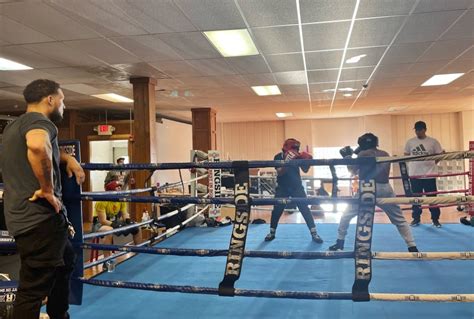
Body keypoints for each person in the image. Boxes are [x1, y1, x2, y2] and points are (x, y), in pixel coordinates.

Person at [1, 79, 85, 319]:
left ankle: (59, 314)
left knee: (66, 260)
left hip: (26, 218)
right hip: (39, 220)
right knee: (32, 290)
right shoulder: (39, 122)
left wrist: (66, 159)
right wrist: (47, 189)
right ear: (50, 99)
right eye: (62, 99)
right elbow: (38, 147)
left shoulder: (13, 127)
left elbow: (33, 152)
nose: (64, 105)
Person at [329, 133, 418, 252]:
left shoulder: (363, 154)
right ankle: (412, 246)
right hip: (385, 188)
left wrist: (347, 158)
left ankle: (340, 243)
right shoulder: (385, 154)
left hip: (367, 188)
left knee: (346, 215)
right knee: (399, 219)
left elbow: (352, 171)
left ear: (363, 144)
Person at [264, 138, 323, 243]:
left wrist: (307, 162)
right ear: (286, 147)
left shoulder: (297, 156)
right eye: (294, 147)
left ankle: (314, 233)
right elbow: (280, 172)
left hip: (297, 187)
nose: (296, 150)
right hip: (282, 187)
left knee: (304, 209)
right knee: (277, 210)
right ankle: (272, 233)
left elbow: (305, 170)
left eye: (297, 148)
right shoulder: (278, 157)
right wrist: (287, 161)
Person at [404, 121, 444, 227]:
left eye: (420, 130)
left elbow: (440, 155)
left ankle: (435, 219)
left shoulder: (433, 142)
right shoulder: (410, 142)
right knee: (416, 198)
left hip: (429, 174)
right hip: (415, 175)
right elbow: (406, 154)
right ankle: (416, 219)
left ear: (425, 129)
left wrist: (432, 164)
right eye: (416, 130)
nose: (418, 132)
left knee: (432, 198)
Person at [92, 180, 142, 261]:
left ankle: (139, 254)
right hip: (99, 223)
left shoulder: (121, 199)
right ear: (111, 190)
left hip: (114, 220)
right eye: (117, 187)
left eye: (120, 187)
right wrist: (115, 225)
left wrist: (128, 221)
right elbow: (103, 221)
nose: (119, 189)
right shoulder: (102, 200)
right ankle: (107, 261)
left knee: (136, 226)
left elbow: (125, 214)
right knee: (109, 230)